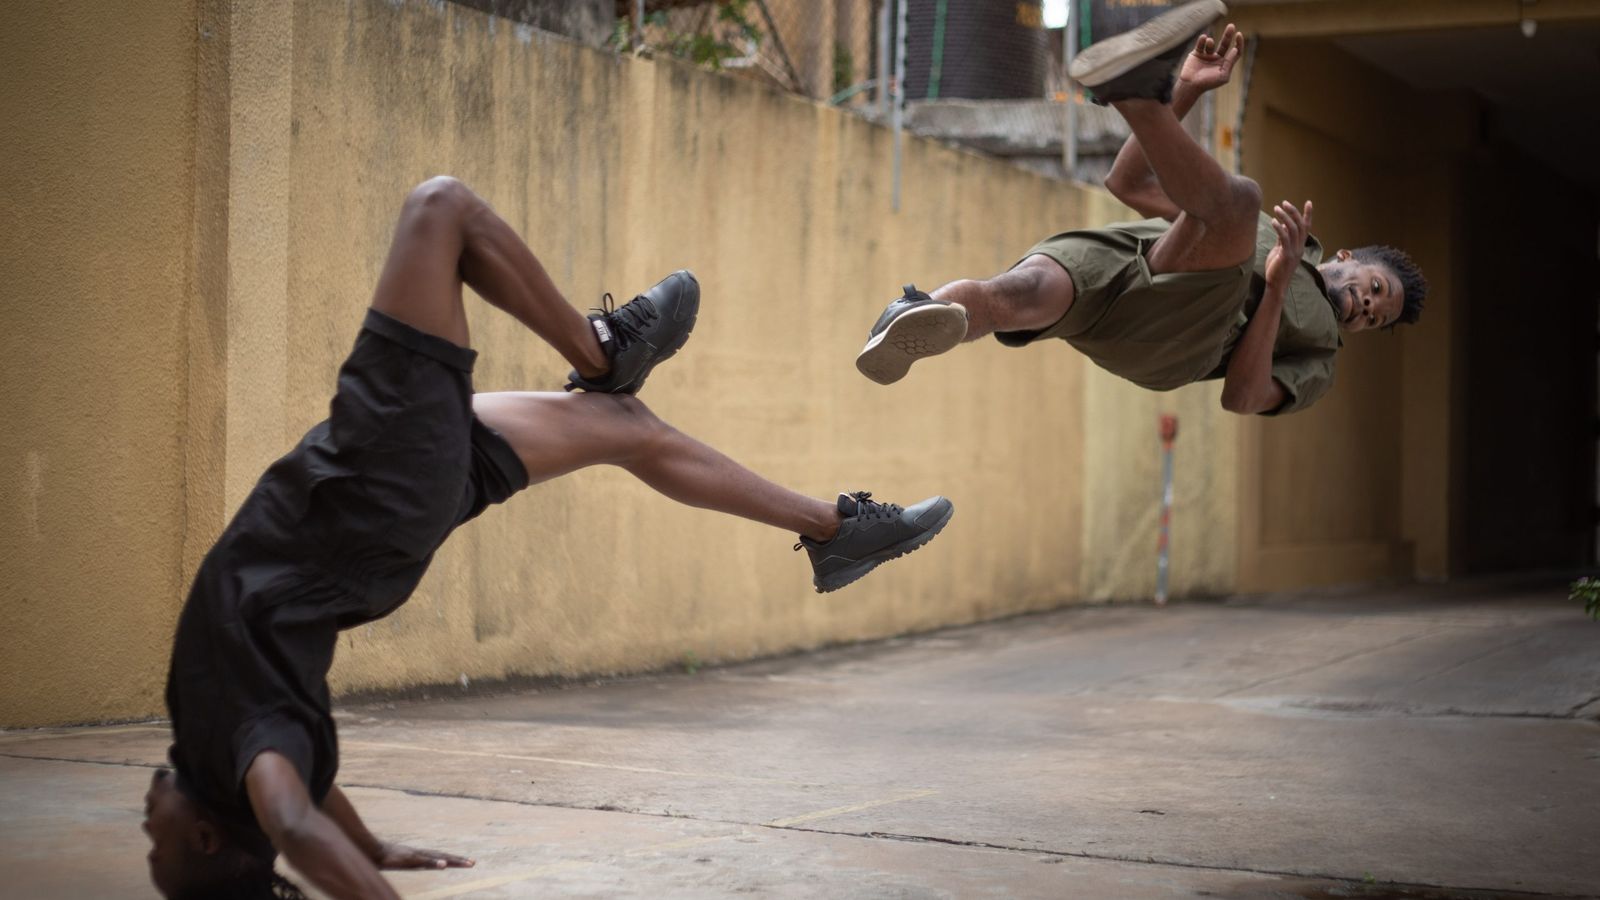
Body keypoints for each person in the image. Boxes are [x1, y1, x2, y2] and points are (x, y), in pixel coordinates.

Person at [144, 176, 953, 899]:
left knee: (626, 428)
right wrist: (350, 865)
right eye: (159, 841)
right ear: (208, 838)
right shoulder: (249, 749)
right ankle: (601, 350)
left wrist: (374, 846)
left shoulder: (232, 754)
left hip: (383, 518)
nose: (149, 815)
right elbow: (293, 821)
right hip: (369, 477)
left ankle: (832, 531)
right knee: (442, 209)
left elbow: (309, 802)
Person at [853, 1, 1426, 416]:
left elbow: (1242, 397)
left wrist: (1275, 289)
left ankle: (1134, 93)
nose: (1365, 308)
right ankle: (911, 314)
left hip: (1171, 339)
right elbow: (1126, 181)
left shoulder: (1321, 355)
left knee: (1238, 200)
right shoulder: (1271, 233)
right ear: (1348, 258)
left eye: (1376, 319)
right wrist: (1190, 91)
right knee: (1019, 293)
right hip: (1131, 261)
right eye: (1375, 290)